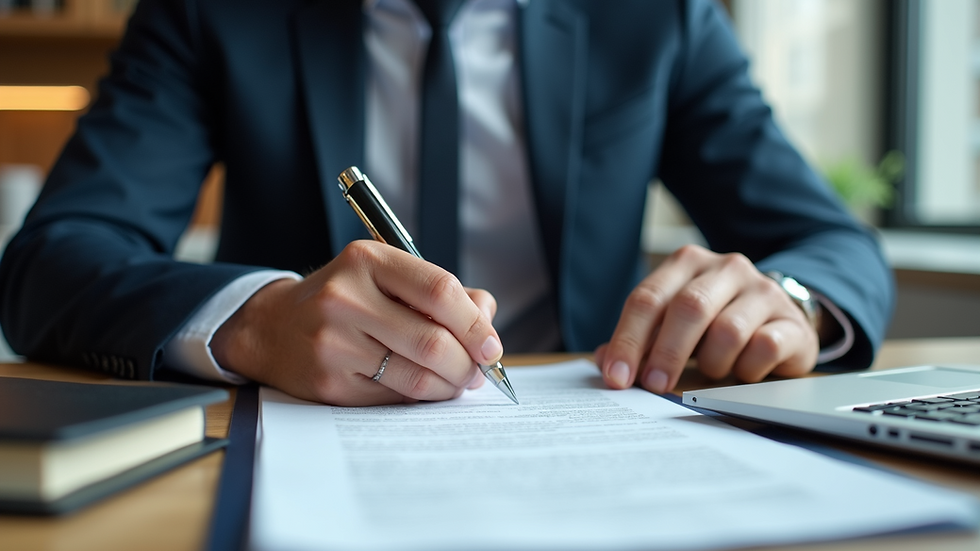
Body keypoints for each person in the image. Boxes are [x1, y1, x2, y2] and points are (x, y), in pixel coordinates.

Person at [0, 0, 893, 406]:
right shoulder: (213, 15)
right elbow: (54, 258)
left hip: (593, 437)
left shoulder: (656, 17)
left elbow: (826, 240)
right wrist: (254, 320)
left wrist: (796, 301)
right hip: (303, 455)